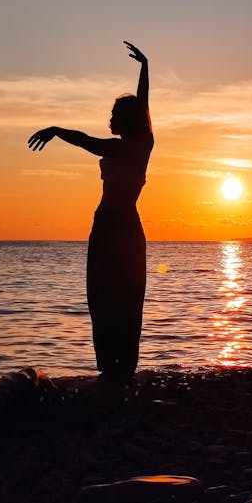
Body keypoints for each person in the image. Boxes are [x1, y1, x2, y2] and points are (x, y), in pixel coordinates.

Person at [27, 41, 153, 382]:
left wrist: (55, 130)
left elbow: (87, 141)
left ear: (125, 121)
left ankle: (121, 368)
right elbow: (143, 106)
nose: (109, 119)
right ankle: (112, 366)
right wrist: (145, 67)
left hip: (120, 227)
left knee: (123, 297)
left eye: (113, 115)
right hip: (109, 226)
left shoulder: (134, 147)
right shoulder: (142, 144)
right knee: (102, 296)